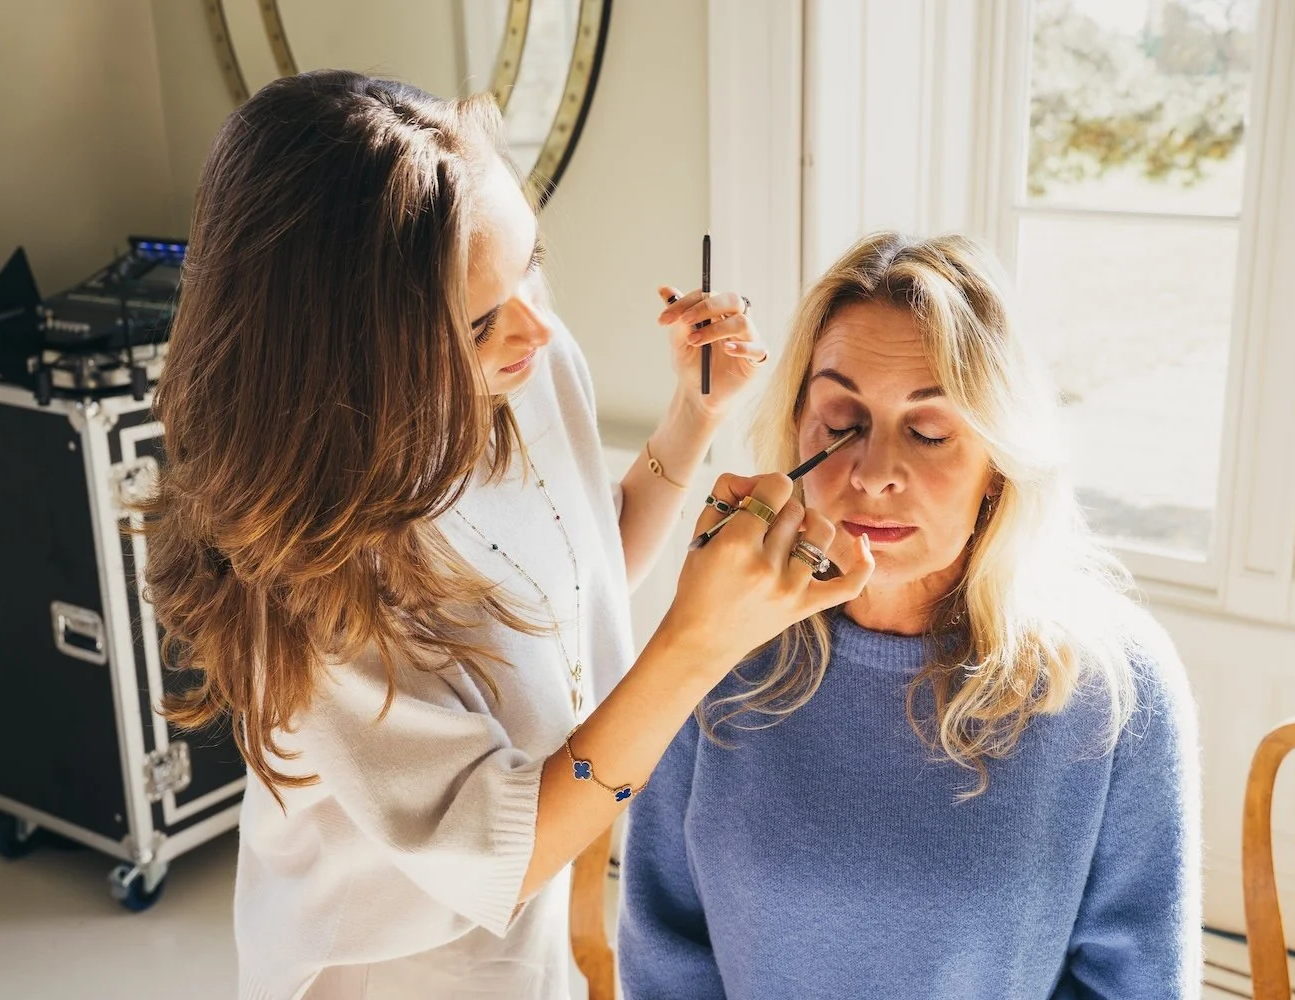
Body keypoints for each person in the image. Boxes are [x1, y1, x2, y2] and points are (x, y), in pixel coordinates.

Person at [139, 70, 873, 999]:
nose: (535, 326)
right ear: (352, 351)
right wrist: (698, 642)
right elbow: (505, 847)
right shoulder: (304, 574)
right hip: (393, 961)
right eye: (479, 319)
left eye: (527, 263)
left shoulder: (533, 363)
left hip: (535, 921)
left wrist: (694, 424)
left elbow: (575, 570)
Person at [619, 232, 1202, 1000]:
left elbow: (1138, 983)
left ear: (998, 466)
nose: (874, 474)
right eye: (840, 421)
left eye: (929, 432)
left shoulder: (1113, 682)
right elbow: (666, 952)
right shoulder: (718, 641)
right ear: (797, 426)